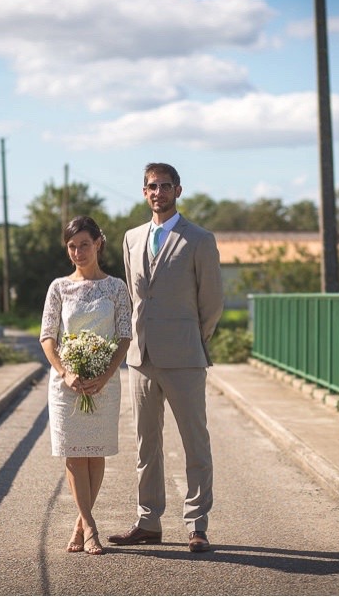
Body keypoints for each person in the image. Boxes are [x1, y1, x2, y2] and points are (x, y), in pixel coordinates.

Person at [109, 162, 224, 553]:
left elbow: (212, 303)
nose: (157, 192)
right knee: (146, 445)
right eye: (151, 186)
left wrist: (193, 339)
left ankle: (197, 525)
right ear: (144, 192)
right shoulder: (131, 238)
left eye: (164, 186)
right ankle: (148, 522)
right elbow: (134, 296)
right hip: (142, 358)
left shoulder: (199, 239)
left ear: (178, 190)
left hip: (185, 356)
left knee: (195, 442)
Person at [39, 215, 132, 555]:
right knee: (74, 455)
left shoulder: (116, 288)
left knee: (95, 454)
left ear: (98, 244)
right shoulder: (59, 288)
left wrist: (105, 375)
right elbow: (47, 337)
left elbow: (124, 336)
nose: (78, 252)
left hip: (104, 382)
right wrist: (66, 372)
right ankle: (91, 526)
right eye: (72, 246)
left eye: (84, 245)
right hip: (66, 384)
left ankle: (80, 523)